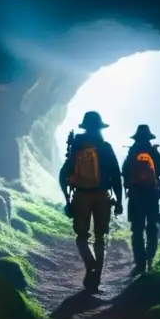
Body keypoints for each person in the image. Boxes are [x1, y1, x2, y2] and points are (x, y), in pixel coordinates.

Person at [60, 111, 123, 291]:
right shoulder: (106, 147)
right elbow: (116, 177)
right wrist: (119, 202)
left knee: (81, 236)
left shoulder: (76, 147)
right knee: (100, 237)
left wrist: (67, 199)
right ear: (100, 128)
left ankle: (90, 265)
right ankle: (97, 277)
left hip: (81, 196)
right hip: (103, 196)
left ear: (85, 127)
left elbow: (64, 174)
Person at [122, 124, 160, 275]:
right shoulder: (154, 153)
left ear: (136, 138)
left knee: (136, 231)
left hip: (136, 198)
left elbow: (124, 173)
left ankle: (139, 264)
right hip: (152, 197)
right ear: (149, 138)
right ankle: (150, 260)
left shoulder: (132, 153)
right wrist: (159, 184)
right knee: (152, 228)